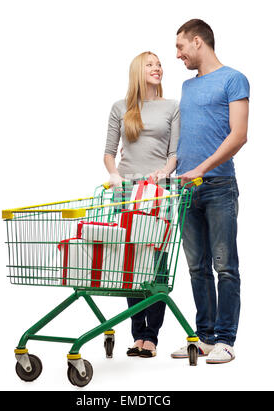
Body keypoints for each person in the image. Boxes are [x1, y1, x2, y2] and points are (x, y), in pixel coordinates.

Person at [171, 19, 249, 363]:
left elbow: (239, 135)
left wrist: (201, 169)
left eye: (180, 47)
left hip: (218, 186)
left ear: (198, 41)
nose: (178, 55)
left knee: (225, 265)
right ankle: (204, 338)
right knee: (196, 267)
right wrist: (169, 170)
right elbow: (184, 141)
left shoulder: (234, 79)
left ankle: (225, 339)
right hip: (186, 192)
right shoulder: (187, 88)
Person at [103, 51, 180, 357]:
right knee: (132, 262)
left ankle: (152, 335)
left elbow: (174, 152)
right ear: (137, 70)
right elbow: (109, 151)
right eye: (150, 64)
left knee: (158, 263)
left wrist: (165, 172)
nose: (157, 68)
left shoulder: (172, 107)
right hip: (127, 191)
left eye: (159, 64)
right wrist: (113, 174)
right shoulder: (120, 107)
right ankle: (137, 333)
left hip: (159, 191)